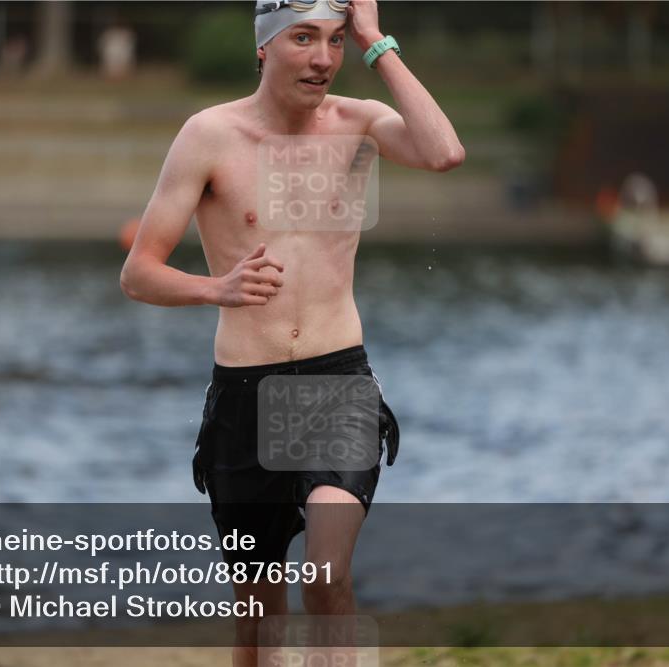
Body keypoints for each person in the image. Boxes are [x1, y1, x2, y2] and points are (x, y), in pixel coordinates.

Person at [120, 1, 463, 664]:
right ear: (263, 47)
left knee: (326, 577)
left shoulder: (359, 124)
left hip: (338, 383)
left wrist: (375, 40)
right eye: (303, 38)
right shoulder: (209, 135)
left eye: (334, 41)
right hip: (245, 393)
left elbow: (444, 151)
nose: (323, 58)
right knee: (258, 620)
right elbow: (139, 274)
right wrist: (216, 288)